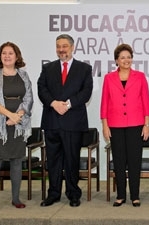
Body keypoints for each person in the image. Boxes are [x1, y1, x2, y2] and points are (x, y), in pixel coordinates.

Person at [38, 34, 93, 207]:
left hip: (73, 121)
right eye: (58, 46)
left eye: (64, 46)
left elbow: (86, 92)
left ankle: (73, 193)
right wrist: (54, 103)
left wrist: (67, 104)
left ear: (72, 47)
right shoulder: (48, 68)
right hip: (52, 121)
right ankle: (53, 193)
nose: (61, 50)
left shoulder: (84, 68)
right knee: (52, 160)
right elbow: (42, 89)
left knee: (72, 160)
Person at [100, 43, 149, 207]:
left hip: (136, 124)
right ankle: (121, 195)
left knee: (135, 161)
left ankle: (135, 195)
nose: (126, 60)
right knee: (119, 161)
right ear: (117, 60)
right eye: (122, 57)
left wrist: (147, 124)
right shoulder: (109, 78)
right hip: (115, 125)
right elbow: (104, 103)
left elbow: (146, 102)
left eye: (129, 57)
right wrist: (105, 126)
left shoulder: (140, 76)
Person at [0, 42, 33, 213]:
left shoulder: (24, 75)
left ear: (17, 56)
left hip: (18, 124)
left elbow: (29, 99)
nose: (7, 56)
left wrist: (18, 116)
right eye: (4, 53)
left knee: (17, 161)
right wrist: (9, 115)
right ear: (0, 57)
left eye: (10, 53)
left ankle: (16, 199)